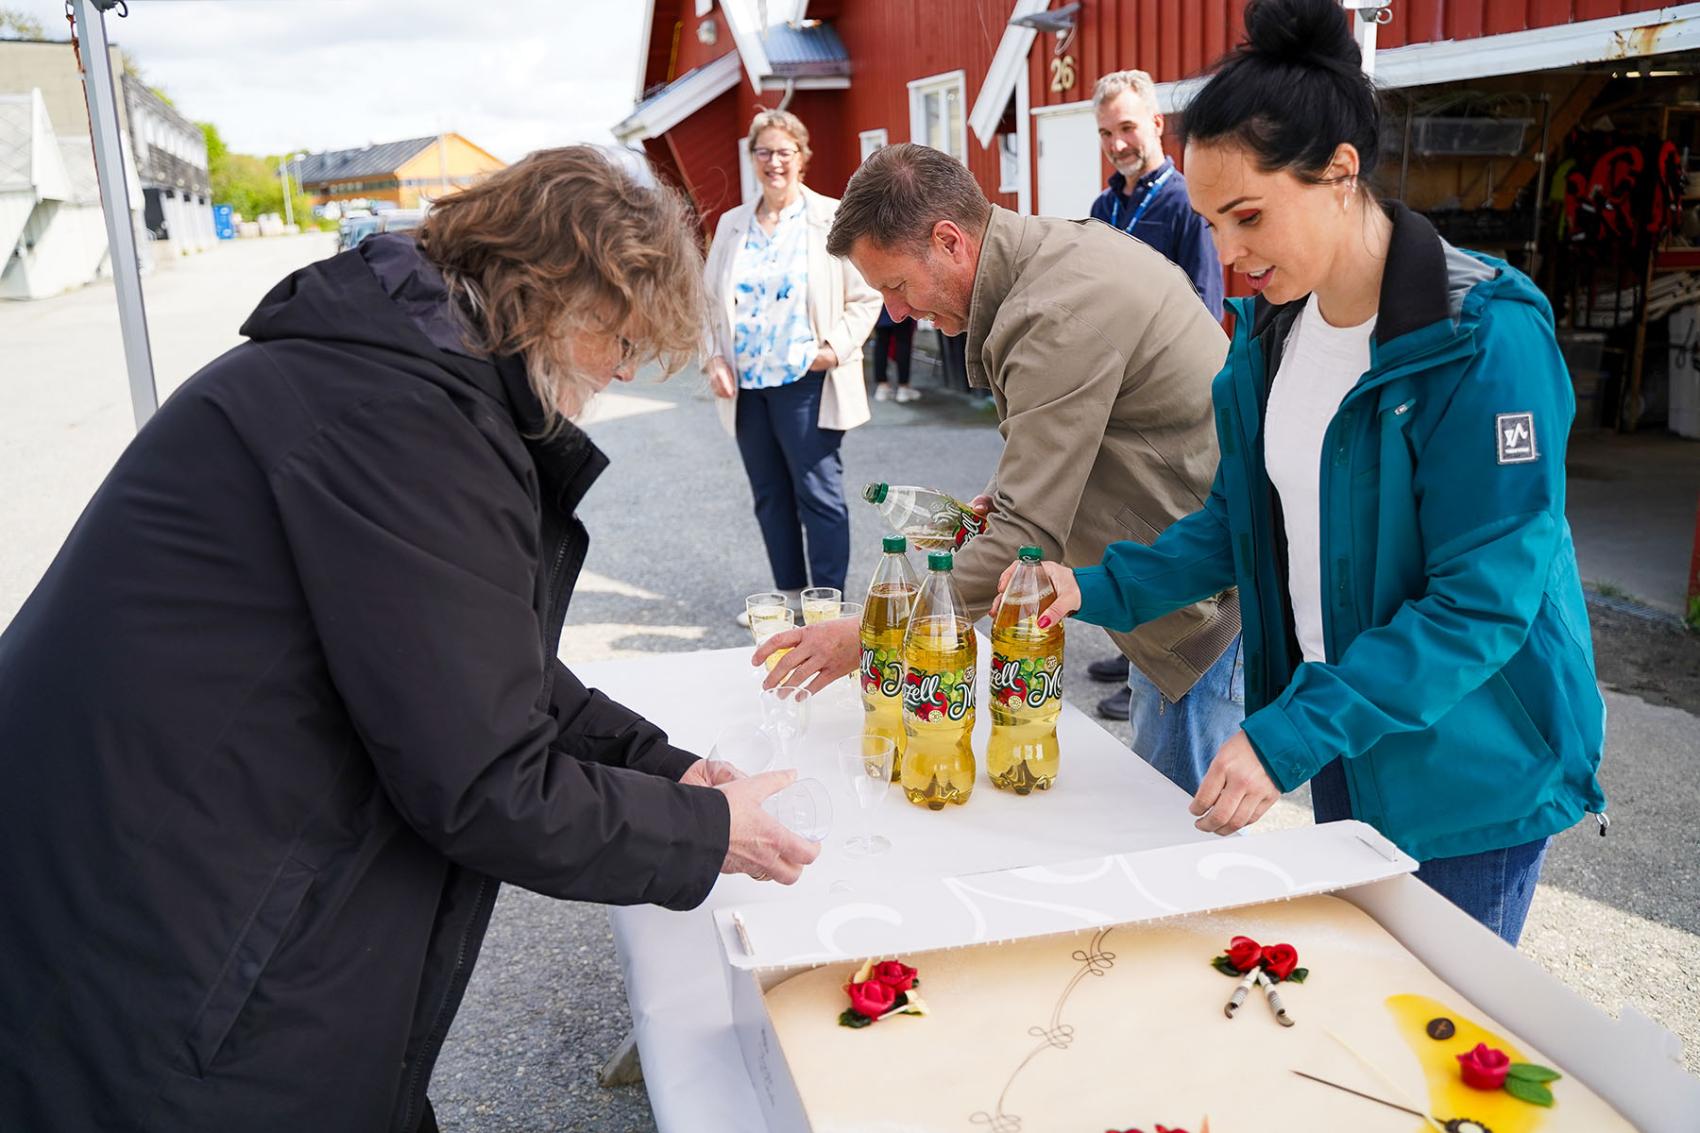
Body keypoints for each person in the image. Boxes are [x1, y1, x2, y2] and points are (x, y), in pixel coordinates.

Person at [0, 146, 819, 1132]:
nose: (626, 368)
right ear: (563, 296)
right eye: (626, 336)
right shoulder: (404, 420)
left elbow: (475, 657)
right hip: (175, 951)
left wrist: (664, 768)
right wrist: (705, 831)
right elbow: (484, 781)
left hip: (174, 888)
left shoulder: (394, 373)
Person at [1001, 0, 1607, 947]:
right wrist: (1091, 585)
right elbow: (1237, 524)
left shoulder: (1483, 338)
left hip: (1471, 768)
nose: (1228, 254)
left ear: (1340, 173)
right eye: (1212, 222)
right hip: (1348, 742)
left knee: (1437, 1018)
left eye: (1248, 217)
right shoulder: (1273, 338)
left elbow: (1481, 604)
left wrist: (1284, 734)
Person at [757, 142, 1242, 797]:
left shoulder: (1053, 311)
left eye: (896, 286)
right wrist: (1003, 495)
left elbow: (1026, 529)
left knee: (1181, 830)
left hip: (1206, 617)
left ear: (949, 241)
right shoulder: (1044, 266)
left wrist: (873, 636)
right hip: (1173, 598)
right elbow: (1058, 448)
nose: (895, 314)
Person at [1086, 69, 1231, 724]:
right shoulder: (1103, 208)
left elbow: (1203, 305)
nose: (1118, 143)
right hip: (1112, 393)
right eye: (1106, 133)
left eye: (1127, 127)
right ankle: (1128, 648)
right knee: (1116, 521)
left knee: (1162, 526)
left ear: (1156, 124)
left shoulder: (1182, 204)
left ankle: (1160, 659)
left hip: (1163, 403)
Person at [704, 110, 881, 625]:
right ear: (752, 158)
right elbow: (708, 301)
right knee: (769, 495)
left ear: (803, 157)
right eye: (764, 152)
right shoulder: (732, 225)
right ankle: (787, 593)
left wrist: (833, 349)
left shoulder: (832, 217)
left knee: (818, 495)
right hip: (746, 384)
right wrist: (713, 357)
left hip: (807, 380)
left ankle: (826, 606)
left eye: (784, 152)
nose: (774, 162)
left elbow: (866, 295)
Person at [872, 304, 918, 402]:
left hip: (879, 305)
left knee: (881, 343)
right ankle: (903, 387)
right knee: (903, 343)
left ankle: (882, 387)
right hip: (901, 305)